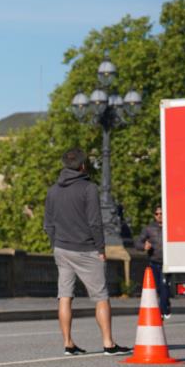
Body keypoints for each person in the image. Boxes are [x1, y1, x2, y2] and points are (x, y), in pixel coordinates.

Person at [43, 148, 130, 356]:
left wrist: (56, 243)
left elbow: (48, 224)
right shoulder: (88, 188)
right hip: (86, 249)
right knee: (101, 296)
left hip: (62, 249)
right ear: (83, 166)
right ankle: (108, 343)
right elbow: (95, 222)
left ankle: (68, 343)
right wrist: (101, 248)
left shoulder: (53, 190)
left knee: (64, 296)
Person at [135, 205, 170, 318]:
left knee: (164, 286)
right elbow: (138, 243)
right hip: (154, 263)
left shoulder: (170, 226)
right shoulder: (149, 228)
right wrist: (144, 246)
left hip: (167, 264)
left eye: (161, 213)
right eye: (157, 214)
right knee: (158, 288)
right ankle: (165, 305)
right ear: (154, 215)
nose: (159, 216)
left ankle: (162, 311)